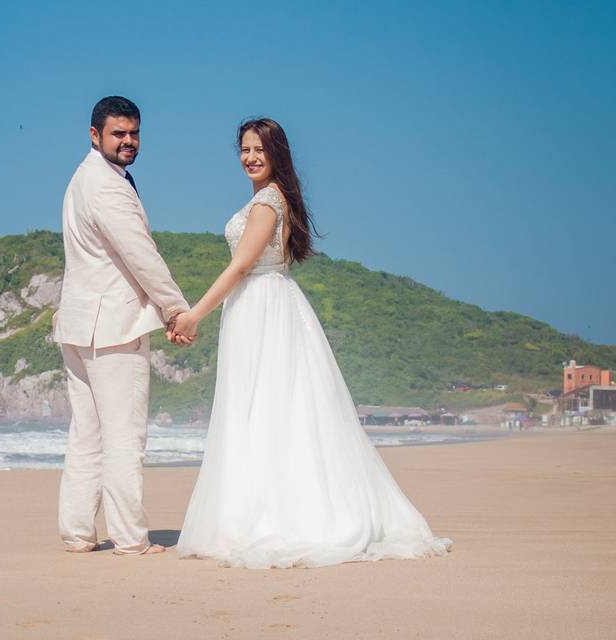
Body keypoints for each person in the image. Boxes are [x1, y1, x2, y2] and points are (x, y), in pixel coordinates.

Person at [171, 117, 452, 568]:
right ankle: (257, 510)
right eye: (244, 149)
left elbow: (242, 265)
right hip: (260, 308)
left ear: (276, 153)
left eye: (259, 149)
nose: (250, 157)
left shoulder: (267, 202)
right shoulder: (270, 199)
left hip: (262, 305)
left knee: (265, 406)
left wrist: (193, 314)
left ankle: (269, 515)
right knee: (269, 406)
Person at [52, 96, 192, 555]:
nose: (128, 141)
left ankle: (76, 532)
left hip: (78, 325)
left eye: (134, 133)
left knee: (87, 435)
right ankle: (131, 539)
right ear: (95, 135)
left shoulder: (82, 178)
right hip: (112, 326)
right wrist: (175, 310)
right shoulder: (107, 186)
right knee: (124, 437)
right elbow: (141, 255)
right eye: (118, 134)